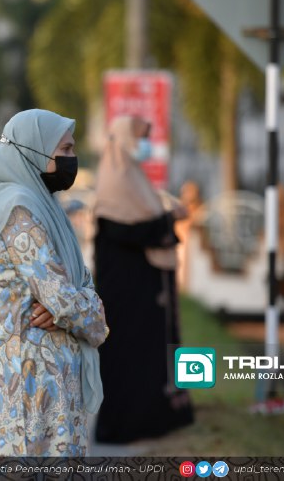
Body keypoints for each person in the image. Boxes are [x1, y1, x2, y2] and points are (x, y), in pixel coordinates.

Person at [0, 109, 108, 457]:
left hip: (49, 379)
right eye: (66, 149)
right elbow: (63, 297)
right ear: (36, 149)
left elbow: (78, 286)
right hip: (25, 383)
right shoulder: (19, 209)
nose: (72, 159)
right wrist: (94, 316)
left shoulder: (46, 208)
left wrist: (74, 304)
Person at [93, 115, 194, 443]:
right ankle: (126, 425)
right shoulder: (115, 181)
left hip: (144, 287)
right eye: (141, 137)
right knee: (129, 356)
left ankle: (158, 417)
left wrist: (165, 218)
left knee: (151, 353)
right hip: (127, 291)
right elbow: (125, 231)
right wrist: (168, 219)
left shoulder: (134, 177)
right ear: (125, 139)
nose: (146, 144)